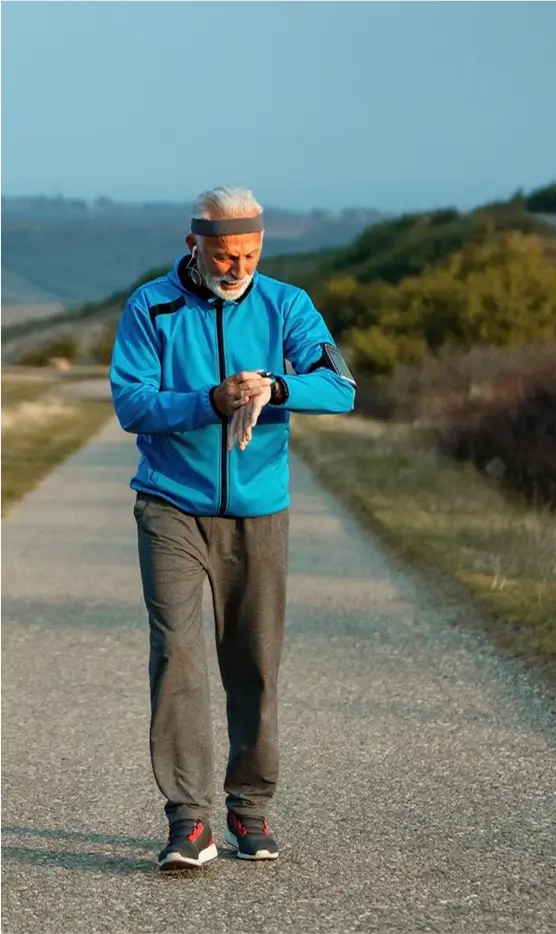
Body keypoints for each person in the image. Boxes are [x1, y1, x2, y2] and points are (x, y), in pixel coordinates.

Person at [110, 186, 356, 871]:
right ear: (194, 244)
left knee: (252, 664)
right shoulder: (150, 306)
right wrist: (209, 401)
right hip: (170, 507)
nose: (236, 265)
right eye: (223, 253)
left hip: (259, 514)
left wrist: (276, 387)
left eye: (247, 253)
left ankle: (249, 808)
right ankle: (188, 822)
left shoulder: (287, 306)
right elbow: (132, 402)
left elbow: (341, 388)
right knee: (178, 660)